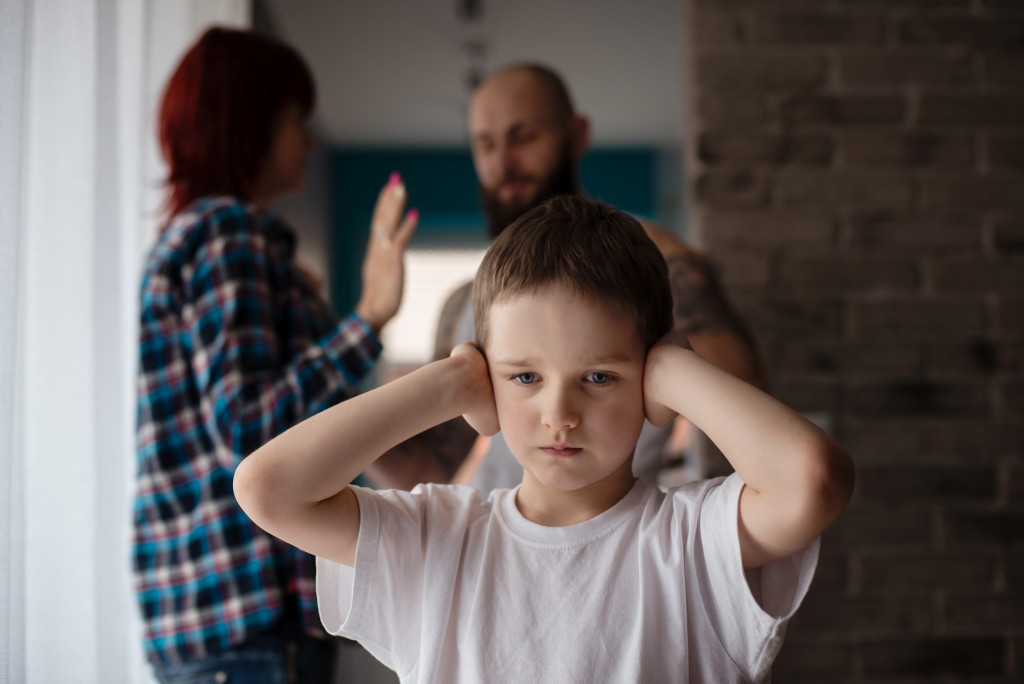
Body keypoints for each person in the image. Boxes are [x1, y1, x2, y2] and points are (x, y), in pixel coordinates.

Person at [234, 196, 855, 683]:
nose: (560, 413)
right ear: (487, 376)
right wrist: (449, 384)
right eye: (524, 376)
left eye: (599, 376)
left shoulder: (693, 540)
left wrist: (673, 370)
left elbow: (814, 480)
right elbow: (267, 488)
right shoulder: (437, 538)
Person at [133, 27, 417, 683]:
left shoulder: (199, 236)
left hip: (211, 619)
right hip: (246, 618)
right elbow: (250, 430)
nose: (311, 140)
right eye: (297, 118)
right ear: (249, 121)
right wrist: (369, 316)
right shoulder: (228, 232)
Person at [367, 62, 765, 493]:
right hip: (496, 542)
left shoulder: (652, 258)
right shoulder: (467, 302)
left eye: (523, 137)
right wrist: (363, 326)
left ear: (576, 135)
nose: (503, 164)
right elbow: (431, 472)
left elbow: (741, 384)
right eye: (485, 146)